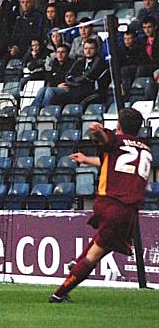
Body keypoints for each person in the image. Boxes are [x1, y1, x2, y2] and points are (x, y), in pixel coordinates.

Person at [49, 108, 152, 303]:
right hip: (127, 210)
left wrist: (96, 132)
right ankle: (60, 293)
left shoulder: (117, 141)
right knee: (100, 248)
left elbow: (105, 142)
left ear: (119, 126)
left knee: (104, 244)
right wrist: (88, 158)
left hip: (112, 204)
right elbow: (119, 163)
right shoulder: (145, 149)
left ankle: (76, 267)